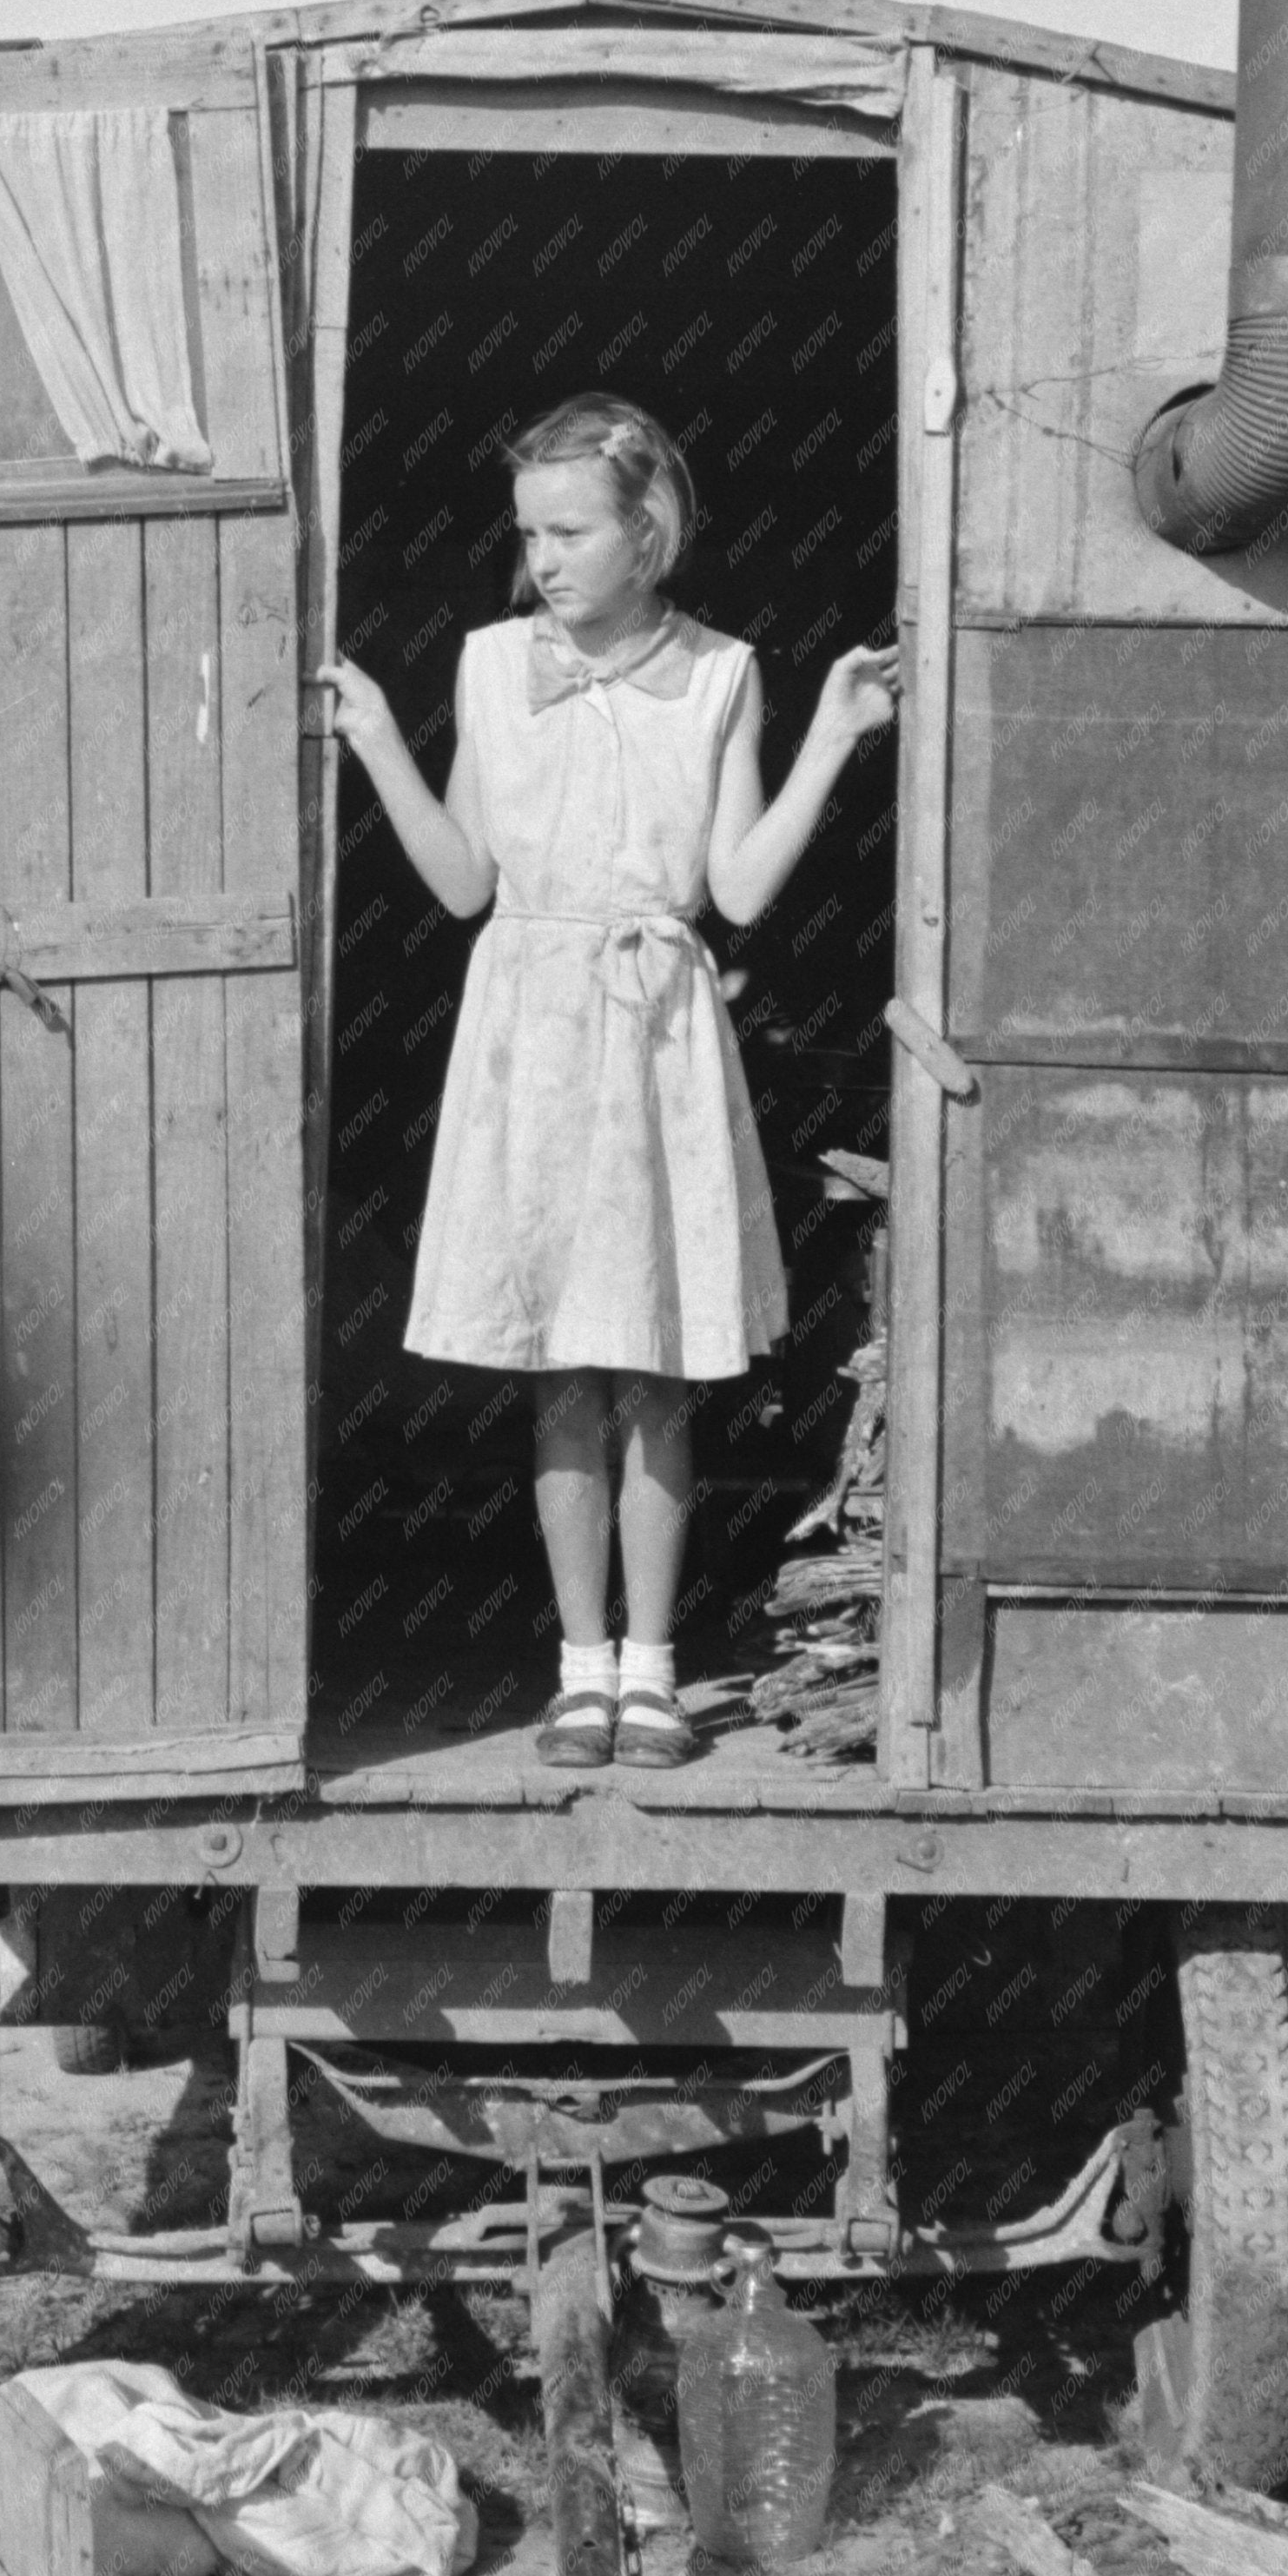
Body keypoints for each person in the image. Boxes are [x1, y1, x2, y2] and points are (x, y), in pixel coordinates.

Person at [323, 392, 895, 1768]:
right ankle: (580, 1665)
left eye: (571, 531)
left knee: (653, 1369)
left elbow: (739, 888)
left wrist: (829, 733)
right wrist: (381, 739)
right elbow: (465, 882)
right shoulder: (484, 665)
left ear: (650, 530)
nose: (546, 561)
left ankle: (654, 1665)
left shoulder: (722, 674)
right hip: (527, 1036)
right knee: (560, 1369)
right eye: (530, 535)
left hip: (655, 1039)